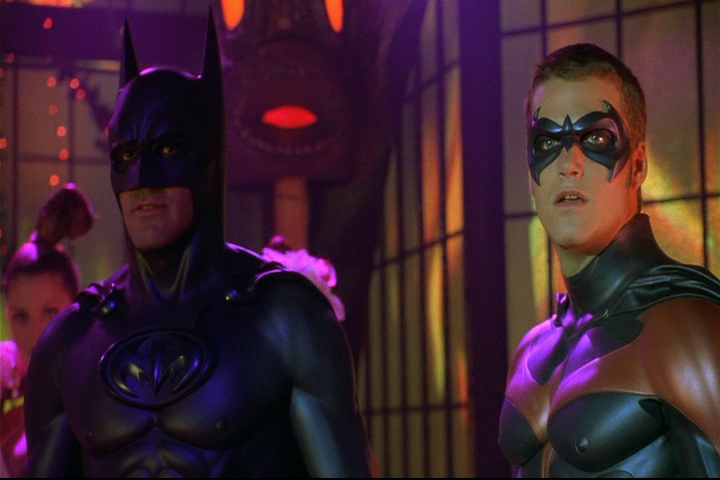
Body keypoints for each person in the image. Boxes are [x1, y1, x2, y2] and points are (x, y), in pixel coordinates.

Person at [23, 13, 373, 478]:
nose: (143, 181)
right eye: (126, 154)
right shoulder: (72, 340)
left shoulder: (286, 320)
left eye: (169, 149)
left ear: (210, 157)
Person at [498, 43, 720, 477]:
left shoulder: (689, 328)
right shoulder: (532, 348)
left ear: (638, 165)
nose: (568, 164)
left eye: (596, 139)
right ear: (531, 176)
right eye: (547, 142)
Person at [1, 183, 94, 477]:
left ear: (75, 310)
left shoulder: (98, 391)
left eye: (51, 313)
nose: (36, 334)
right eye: (21, 316)